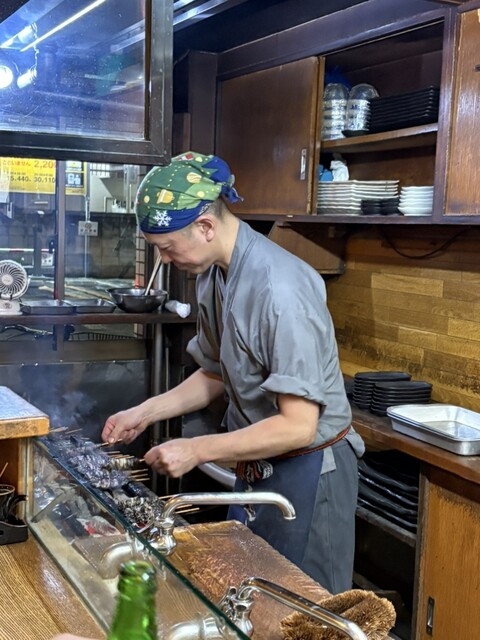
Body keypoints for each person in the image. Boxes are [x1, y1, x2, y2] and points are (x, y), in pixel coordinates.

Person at [102, 150, 365, 594]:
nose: (165, 259)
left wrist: (197, 449)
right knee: (247, 594)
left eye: (168, 247)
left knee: (307, 609)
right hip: (258, 461)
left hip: (310, 469)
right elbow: (215, 373)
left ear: (206, 226)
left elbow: (299, 426)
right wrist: (143, 413)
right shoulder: (213, 275)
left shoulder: (280, 290)